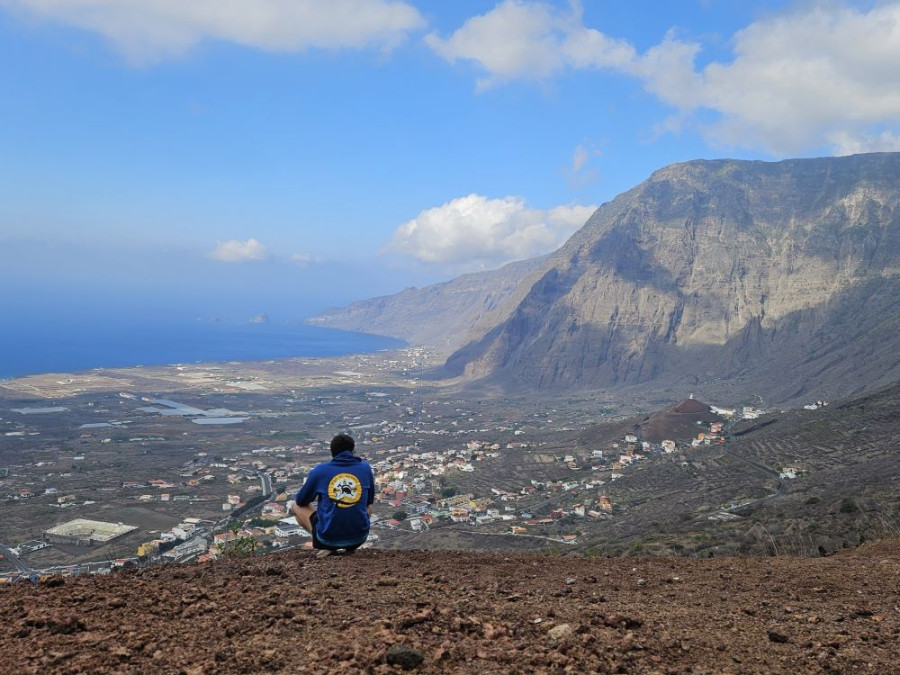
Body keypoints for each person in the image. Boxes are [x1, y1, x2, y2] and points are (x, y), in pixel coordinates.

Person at [292, 433, 374, 558]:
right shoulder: (365, 468)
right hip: (359, 538)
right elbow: (369, 501)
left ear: (332, 452)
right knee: (369, 507)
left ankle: (326, 543)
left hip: (327, 538)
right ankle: (348, 545)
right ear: (352, 451)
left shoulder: (320, 470)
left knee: (295, 506)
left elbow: (301, 500)